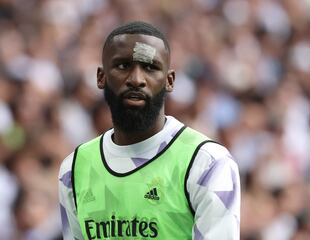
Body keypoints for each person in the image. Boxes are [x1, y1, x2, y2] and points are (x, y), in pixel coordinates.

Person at [58, 21, 240, 240]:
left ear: (169, 80)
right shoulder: (74, 168)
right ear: (101, 77)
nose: (136, 79)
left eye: (150, 67)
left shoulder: (207, 162)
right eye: (123, 66)